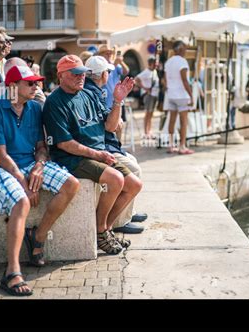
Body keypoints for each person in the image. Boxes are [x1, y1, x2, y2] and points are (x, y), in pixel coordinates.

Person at [0, 65, 80, 296]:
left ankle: (38, 236)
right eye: (31, 83)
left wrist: (38, 166)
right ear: (13, 86)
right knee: (21, 202)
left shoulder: (35, 108)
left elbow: (41, 148)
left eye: (37, 83)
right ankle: (12, 272)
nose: (36, 87)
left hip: (28, 162)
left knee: (71, 184)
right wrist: (24, 183)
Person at [42, 55, 142, 255]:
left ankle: (104, 230)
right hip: (73, 158)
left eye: (83, 73)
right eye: (75, 73)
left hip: (98, 154)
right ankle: (101, 230)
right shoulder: (54, 102)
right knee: (115, 179)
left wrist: (117, 101)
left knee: (134, 185)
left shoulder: (87, 94)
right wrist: (97, 154)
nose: (81, 77)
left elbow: (110, 126)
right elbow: (64, 143)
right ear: (60, 75)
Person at [85, 55, 148, 234]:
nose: (109, 75)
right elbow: (111, 126)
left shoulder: (95, 91)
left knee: (133, 163)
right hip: (101, 148)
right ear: (103, 74)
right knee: (134, 169)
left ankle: (127, 212)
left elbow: (110, 123)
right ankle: (120, 221)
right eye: (108, 72)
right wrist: (118, 104)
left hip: (103, 146)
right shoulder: (93, 92)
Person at [164, 40, 194, 155]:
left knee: (171, 120)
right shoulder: (182, 62)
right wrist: (191, 95)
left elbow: (165, 80)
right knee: (183, 121)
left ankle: (171, 145)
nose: (186, 51)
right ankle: (182, 146)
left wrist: (169, 89)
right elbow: (185, 80)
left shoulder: (168, 62)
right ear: (180, 49)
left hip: (171, 94)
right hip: (181, 95)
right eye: (185, 48)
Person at [135, 57, 160, 138]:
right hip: (149, 95)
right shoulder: (146, 72)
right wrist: (145, 88)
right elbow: (136, 79)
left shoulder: (155, 71)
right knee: (147, 114)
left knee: (151, 113)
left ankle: (149, 131)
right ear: (151, 64)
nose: (156, 65)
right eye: (155, 63)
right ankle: (146, 132)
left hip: (154, 94)